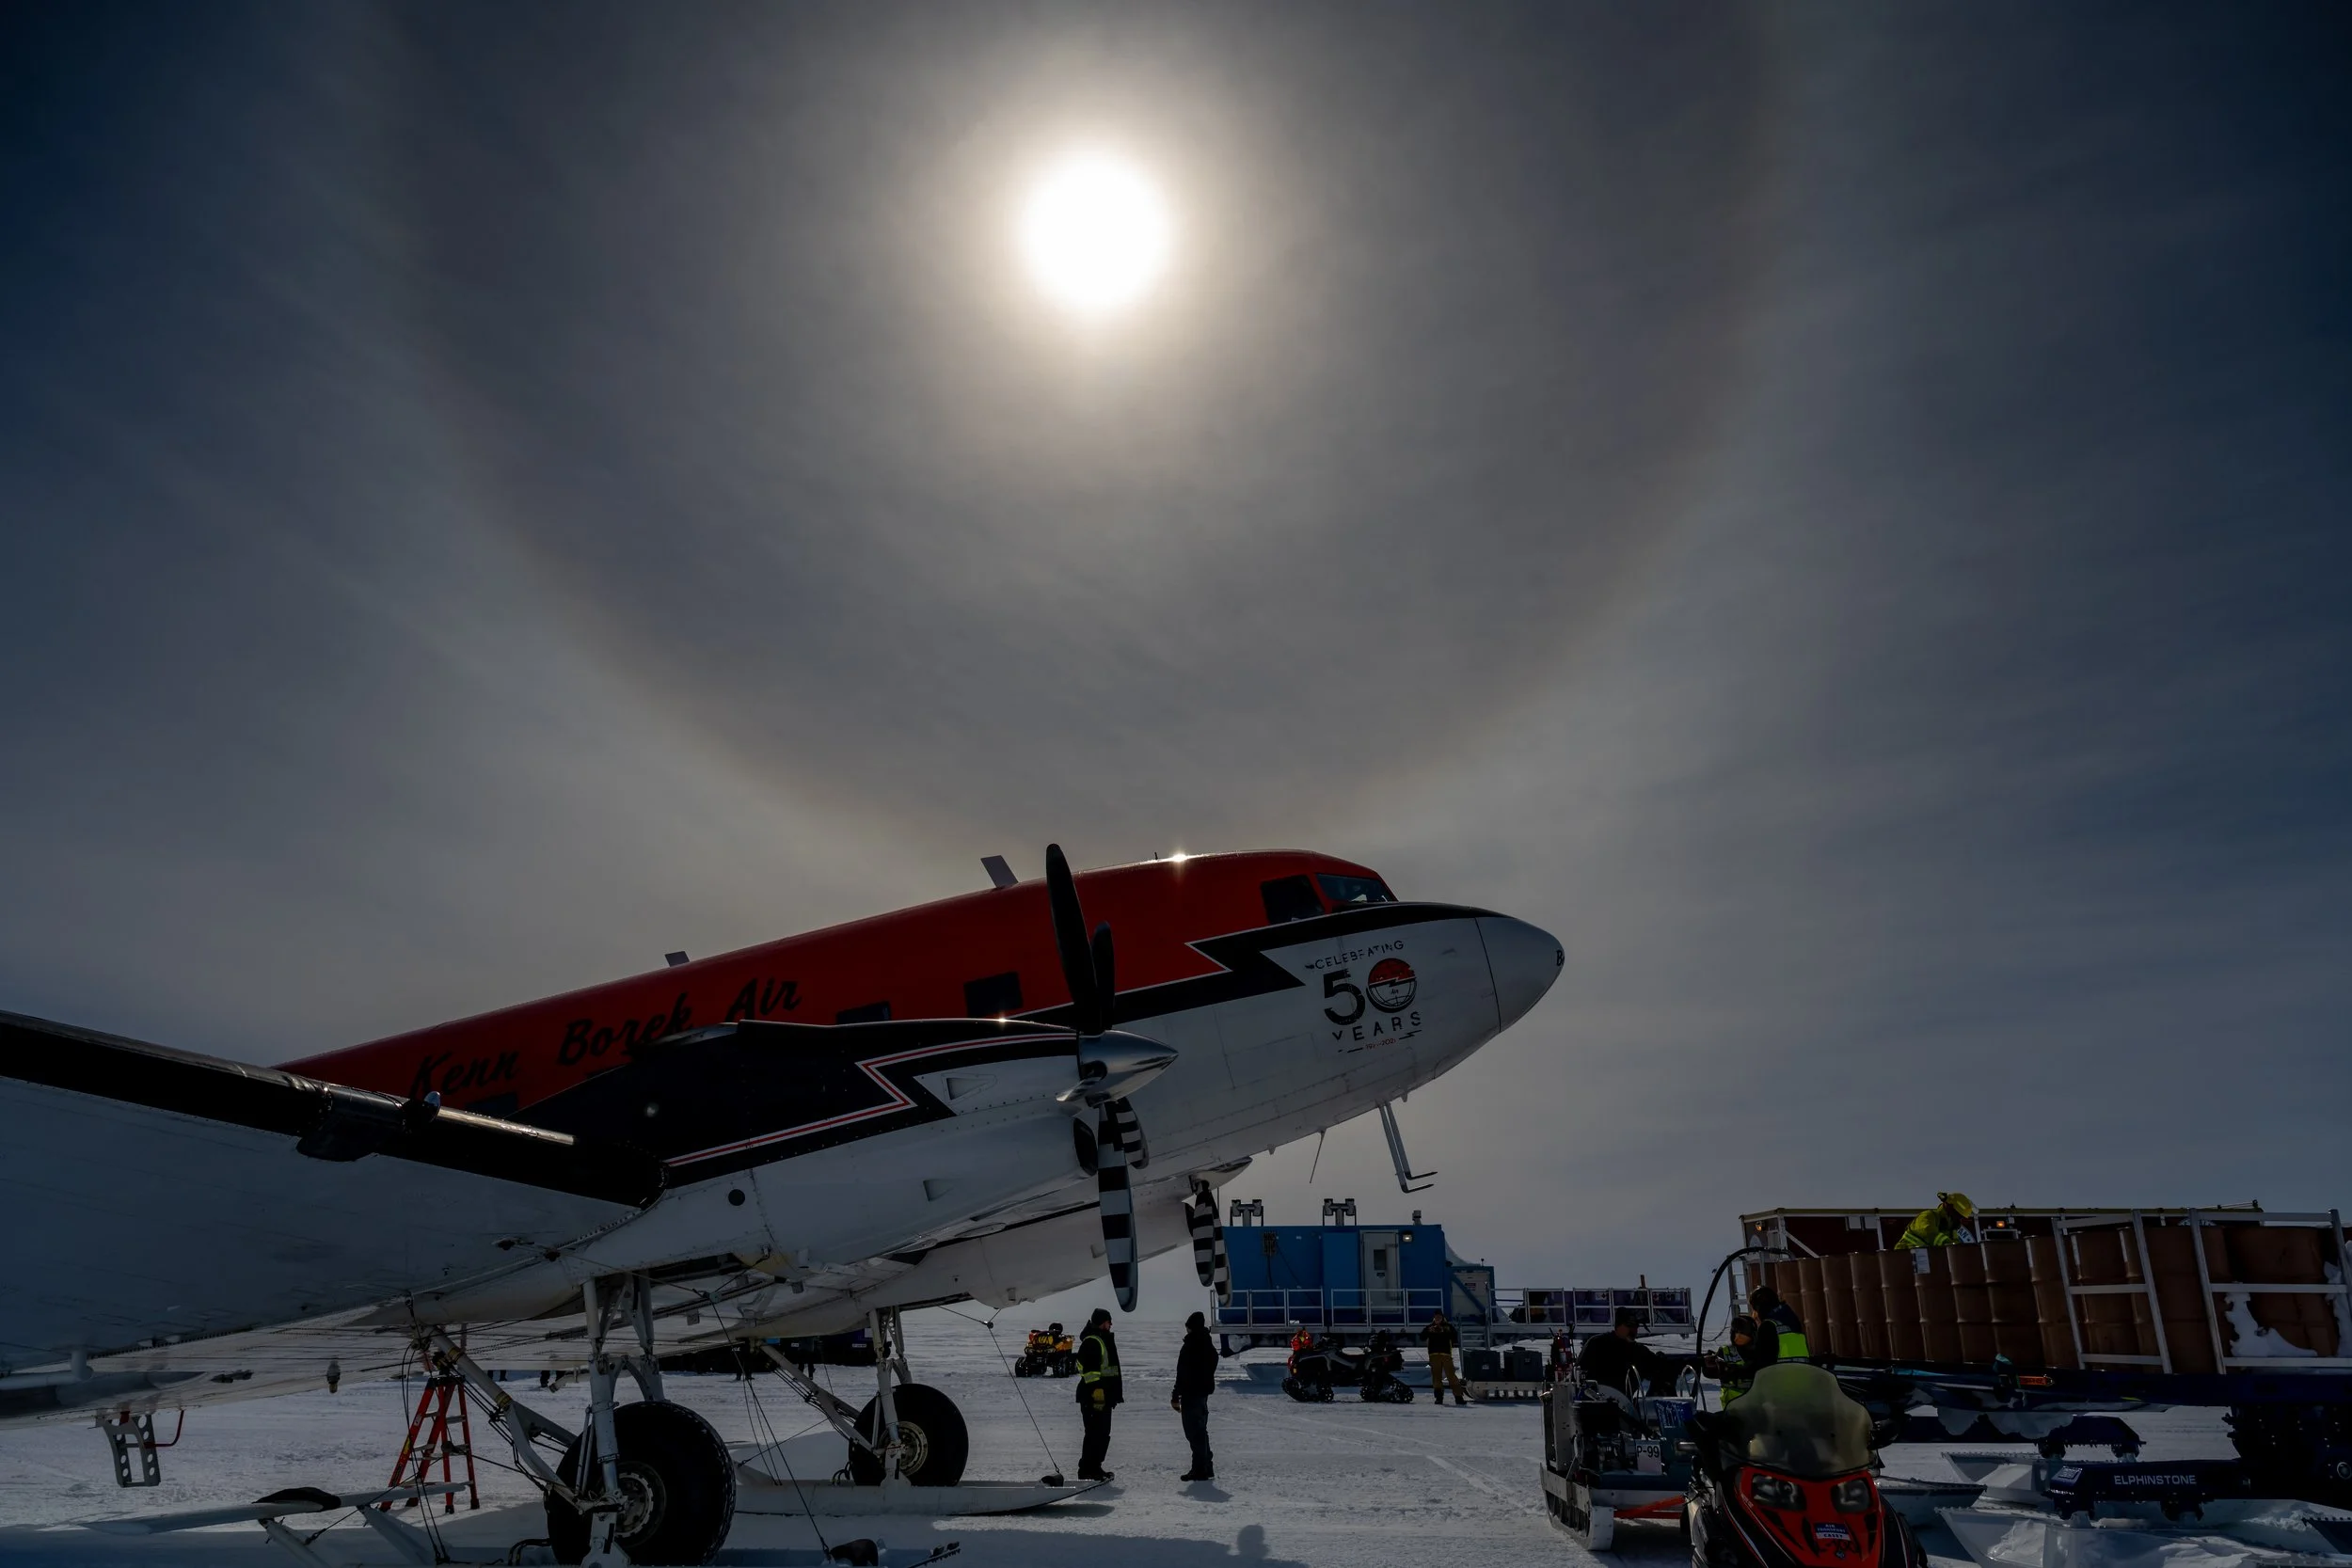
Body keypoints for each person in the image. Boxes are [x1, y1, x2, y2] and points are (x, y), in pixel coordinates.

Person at [1074, 1307, 1123, 1481]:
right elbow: (1089, 1371)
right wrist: (1098, 1393)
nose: (1111, 1324)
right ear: (1102, 1322)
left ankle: (1095, 1467)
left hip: (1104, 1398)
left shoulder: (1102, 1339)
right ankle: (1087, 1469)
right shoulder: (1093, 1341)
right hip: (1094, 1399)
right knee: (1095, 1433)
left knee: (1102, 1434)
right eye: (1109, 1321)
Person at [1577, 1307, 1667, 1396]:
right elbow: (1578, 1373)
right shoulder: (1597, 1344)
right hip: (1596, 1402)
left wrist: (1662, 1359)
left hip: (1626, 1406)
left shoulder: (1639, 1351)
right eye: (1630, 1326)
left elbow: (1658, 1369)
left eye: (1636, 1326)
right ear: (1618, 1326)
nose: (1634, 1331)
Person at [1171, 1310, 1217, 1481]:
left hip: (1191, 1394)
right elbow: (1212, 1362)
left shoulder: (1191, 1345)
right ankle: (1206, 1466)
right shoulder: (1207, 1344)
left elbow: (1182, 1372)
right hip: (1202, 1394)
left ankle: (1200, 1470)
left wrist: (1176, 1394)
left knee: (1194, 1432)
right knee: (1201, 1430)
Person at [1747, 1286, 1811, 1363]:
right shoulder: (1791, 1318)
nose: (1754, 1315)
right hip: (1803, 1371)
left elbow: (1763, 1362)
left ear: (1759, 1307)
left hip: (1782, 1373)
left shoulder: (1768, 1326)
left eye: (1754, 1309)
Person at [1896, 1192, 1978, 1250]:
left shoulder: (1951, 1226)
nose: (1959, 1219)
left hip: (1923, 1257)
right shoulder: (1927, 1216)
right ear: (1949, 1207)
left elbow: (1955, 1245)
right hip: (1904, 1254)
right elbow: (1932, 1235)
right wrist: (1952, 1247)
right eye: (1958, 1215)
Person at [1421, 1309, 1469, 1406]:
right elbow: (1422, 1337)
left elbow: (1455, 1337)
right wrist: (1429, 1331)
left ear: (1442, 1318)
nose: (1438, 1319)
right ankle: (1439, 1398)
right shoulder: (1429, 1327)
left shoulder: (1448, 1327)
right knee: (1436, 1377)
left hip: (1446, 1354)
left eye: (1439, 1317)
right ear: (1434, 1318)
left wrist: (1444, 1331)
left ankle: (1458, 1397)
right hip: (1434, 1355)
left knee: (1451, 1376)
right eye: (1436, 1317)